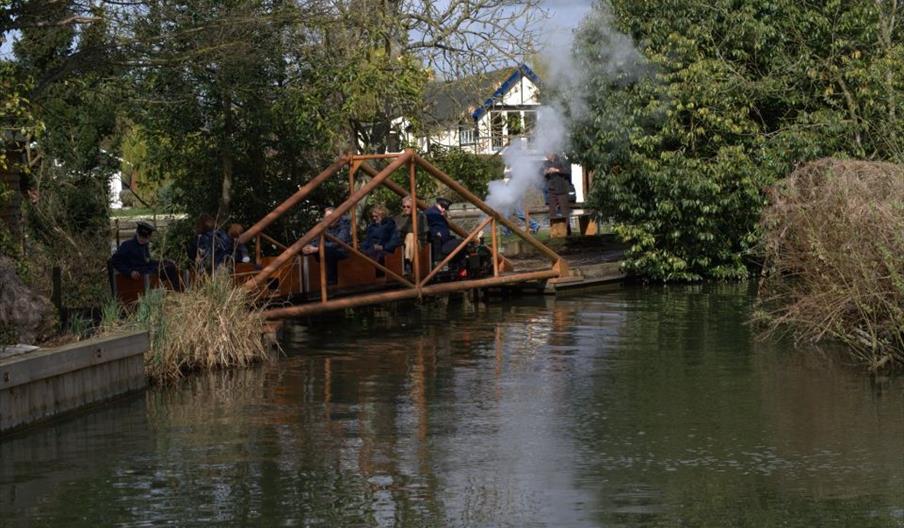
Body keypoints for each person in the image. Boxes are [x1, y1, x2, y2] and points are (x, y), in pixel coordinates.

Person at [111, 221, 181, 290]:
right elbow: (115, 261)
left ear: (148, 237)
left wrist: (164, 262)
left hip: (147, 270)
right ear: (137, 234)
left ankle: (177, 291)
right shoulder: (127, 245)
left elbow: (147, 261)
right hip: (138, 273)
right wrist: (130, 272)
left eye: (145, 238)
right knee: (163, 270)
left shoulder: (145, 245)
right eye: (141, 237)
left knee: (170, 266)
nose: (142, 240)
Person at [302, 206, 351, 285]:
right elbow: (316, 239)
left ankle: (332, 282)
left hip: (341, 251)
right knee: (304, 251)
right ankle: (306, 284)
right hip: (325, 250)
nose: (328, 219)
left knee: (329, 251)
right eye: (326, 217)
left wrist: (318, 248)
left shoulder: (344, 225)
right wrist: (310, 247)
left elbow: (339, 242)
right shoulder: (323, 226)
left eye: (331, 217)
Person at [391, 196, 428, 274]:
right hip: (400, 241)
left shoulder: (421, 217)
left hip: (418, 241)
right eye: (404, 206)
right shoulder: (398, 218)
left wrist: (406, 232)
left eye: (408, 206)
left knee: (410, 236)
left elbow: (422, 232)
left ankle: (408, 261)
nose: (405, 208)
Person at [424, 197, 462, 264]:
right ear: (437, 204)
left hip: (443, 242)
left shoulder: (439, 213)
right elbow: (429, 227)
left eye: (445, 208)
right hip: (439, 245)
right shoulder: (432, 213)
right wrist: (437, 234)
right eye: (442, 206)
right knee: (462, 243)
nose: (444, 209)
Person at [543, 152, 572, 235]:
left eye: (547, 154)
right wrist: (545, 172)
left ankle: (568, 232)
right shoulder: (546, 163)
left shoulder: (561, 161)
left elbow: (568, 171)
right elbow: (543, 174)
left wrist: (556, 170)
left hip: (562, 189)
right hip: (551, 190)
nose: (546, 156)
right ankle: (553, 232)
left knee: (565, 212)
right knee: (552, 212)